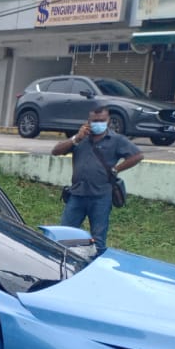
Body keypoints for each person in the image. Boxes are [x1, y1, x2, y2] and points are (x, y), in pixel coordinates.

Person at [51, 105, 142, 254]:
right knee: (64, 234)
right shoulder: (80, 138)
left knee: (98, 239)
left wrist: (117, 169)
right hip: (77, 194)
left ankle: (95, 266)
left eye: (102, 120)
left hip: (101, 196)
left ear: (108, 121)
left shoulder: (116, 140)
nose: (98, 123)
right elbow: (56, 151)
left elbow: (137, 156)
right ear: (88, 121)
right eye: (95, 120)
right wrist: (76, 139)